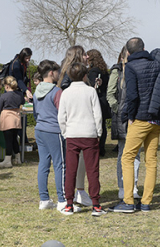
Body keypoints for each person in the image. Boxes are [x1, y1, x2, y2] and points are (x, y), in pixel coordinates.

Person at [110, 37, 160, 213]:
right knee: (151, 160)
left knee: (127, 158)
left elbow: (132, 95)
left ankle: (128, 201)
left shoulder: (130, 67)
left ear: (128, 52)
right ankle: (146, 202)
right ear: (144, 48)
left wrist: (129, 115)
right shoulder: (156, 65)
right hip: (156, 119)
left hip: (139, 118)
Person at [58, 62, 105, 216]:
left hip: (72, 134)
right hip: (89, 134)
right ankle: (96, 205)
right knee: (92, 170)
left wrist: (65, 132)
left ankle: (69, 204)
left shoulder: (65, 92)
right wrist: (98, 132)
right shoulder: (91, 91)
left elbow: (61, 117)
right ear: (85, 75)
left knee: (71, 170)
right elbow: (97, 114)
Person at [106, 46, 141, 201]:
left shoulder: (138, 69)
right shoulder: (116, 71)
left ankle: (133, 186)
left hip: (138, 117)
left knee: (137, 153)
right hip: (122, 118)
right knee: (123, 153)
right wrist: (119, 110)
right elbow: (110, 94)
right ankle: (122, 186)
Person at [58, 45, 92, 207]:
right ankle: (76, 192)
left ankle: (78, 191)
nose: (87, 56)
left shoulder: (70, 74)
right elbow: (66, 89)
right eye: (85, 54)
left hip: (75, 123)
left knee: (78, 162)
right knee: (76, 162)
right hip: (76, 124)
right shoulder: (71, 76)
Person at [33, 60, 68, 213]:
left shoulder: (36, 91)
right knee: (60, 164)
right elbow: (62, 113)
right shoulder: (56, 91)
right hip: (54, 130)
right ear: (52, 73)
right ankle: (62, 200)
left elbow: (35, 113)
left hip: (39, 129)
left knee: (43, 165)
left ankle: (44, 199)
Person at [0, 76, 25, 168]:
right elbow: (23, 102)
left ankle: (7, 160)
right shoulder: (19, 95)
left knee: (8, 140)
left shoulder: (4, 96)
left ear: (7, 86)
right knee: (14, 140)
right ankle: (18, 158)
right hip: (16, 118)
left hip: (7, 118)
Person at [86, 49, 110, 157]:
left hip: (97, 100)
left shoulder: (93, 71)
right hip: (104, 100)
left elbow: (91, 87)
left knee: (96, 125)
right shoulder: (104, 70)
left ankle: (98, 148)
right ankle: (102, 148)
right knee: (102, 125)